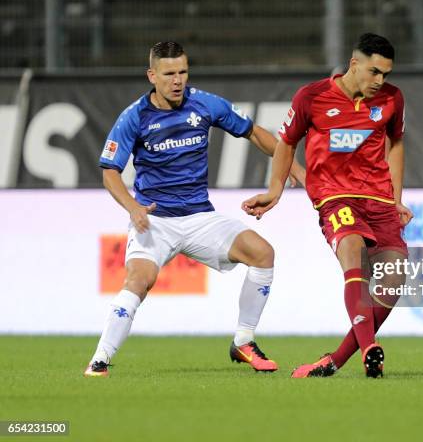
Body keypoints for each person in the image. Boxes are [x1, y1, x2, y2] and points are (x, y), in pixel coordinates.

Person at [84, 41, 305, 377]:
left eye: (183, 72)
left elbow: (255, 134)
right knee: (140, 280)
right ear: (152, 76)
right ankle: (100, 359)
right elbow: (109, 172)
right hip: (155, 220)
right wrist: (133, 207)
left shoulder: (205, 104)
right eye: (169, 73)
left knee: (262, 253)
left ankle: (244, 342)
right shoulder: (134, 116)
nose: (178, 80)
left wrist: (297, 170)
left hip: (200, 216)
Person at [242, 33, 412, 378]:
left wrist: (396, 200)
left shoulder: (393, 99)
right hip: (335, 196)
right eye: (375, 72)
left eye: (386, 74)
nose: (381, 81)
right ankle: (369, 349)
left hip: (378, 198)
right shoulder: (312, 96)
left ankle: (335, 359)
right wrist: (275, 191)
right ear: (354, 64)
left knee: (394, 280)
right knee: (353, 254)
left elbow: (396, 143)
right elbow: (286, 143)